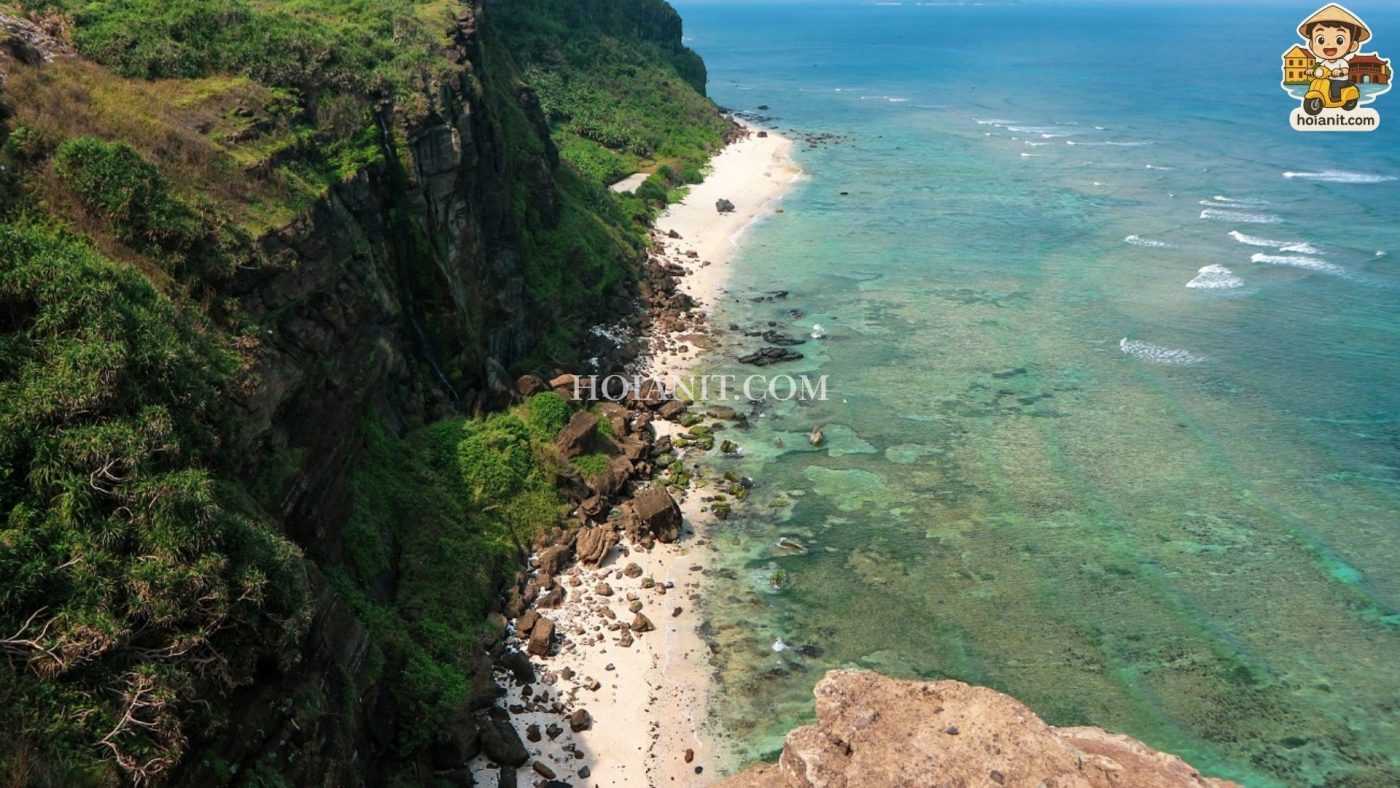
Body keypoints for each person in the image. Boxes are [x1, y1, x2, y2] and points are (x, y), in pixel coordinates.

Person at [1299, 4, 1372, 103]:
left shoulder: (1341, 62)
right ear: (1311, 44)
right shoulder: (1324, 62)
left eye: (1339, 40)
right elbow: (1319, 68)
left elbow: (1346, 69)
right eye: (1321, 40)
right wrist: (1311, 70)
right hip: (1326, 79)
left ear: (1353, 45)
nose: (1328, 44)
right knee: (1317, 83)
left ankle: (1336, 99)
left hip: (1340, 80)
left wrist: (1340, 71)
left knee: (1334, 86)